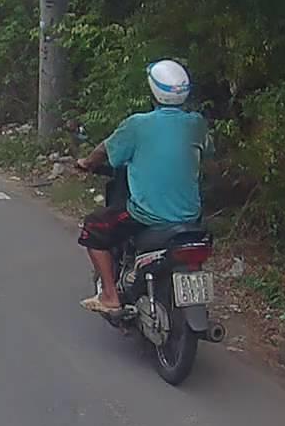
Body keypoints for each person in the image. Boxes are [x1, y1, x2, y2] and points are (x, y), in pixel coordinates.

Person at [76, 59, 212, 313]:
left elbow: (105, 150)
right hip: (191, 217)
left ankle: (110, 296)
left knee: (93, 227)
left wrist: (87, 162)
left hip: (147, 215)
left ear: (153, 91)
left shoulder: (137, 124)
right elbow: (206, 153)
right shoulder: (197, 123)